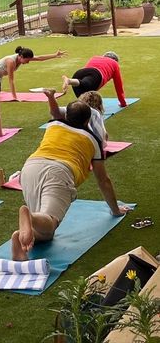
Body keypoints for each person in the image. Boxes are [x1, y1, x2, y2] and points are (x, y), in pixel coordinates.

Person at [11, 101, 131, 261]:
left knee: (45, 232)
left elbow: (54, 112)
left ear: (66, 114)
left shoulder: (53, 125)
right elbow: (103, 180)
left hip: (30, 168)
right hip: (59, 172)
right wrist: (115, 210)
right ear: (87, 121)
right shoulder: (94, 140)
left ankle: (19, 240)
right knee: (49, 221)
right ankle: (29, 216)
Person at [43, 89, 108, 147]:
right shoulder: (95, 113)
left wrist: (51, 98)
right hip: (80, 143)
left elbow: (55, 112)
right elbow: (101, 140)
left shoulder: (73, 108)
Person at [62, 51, 127, 107]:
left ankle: (72, 81)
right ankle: (69, 80)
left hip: (79, 73)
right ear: (115, 60)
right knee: (86, 84)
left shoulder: (95, 57)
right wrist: (123, 103)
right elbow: (119, 86)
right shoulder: (114, 63)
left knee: (84, 101)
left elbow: (88, 71)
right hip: (95, 74)